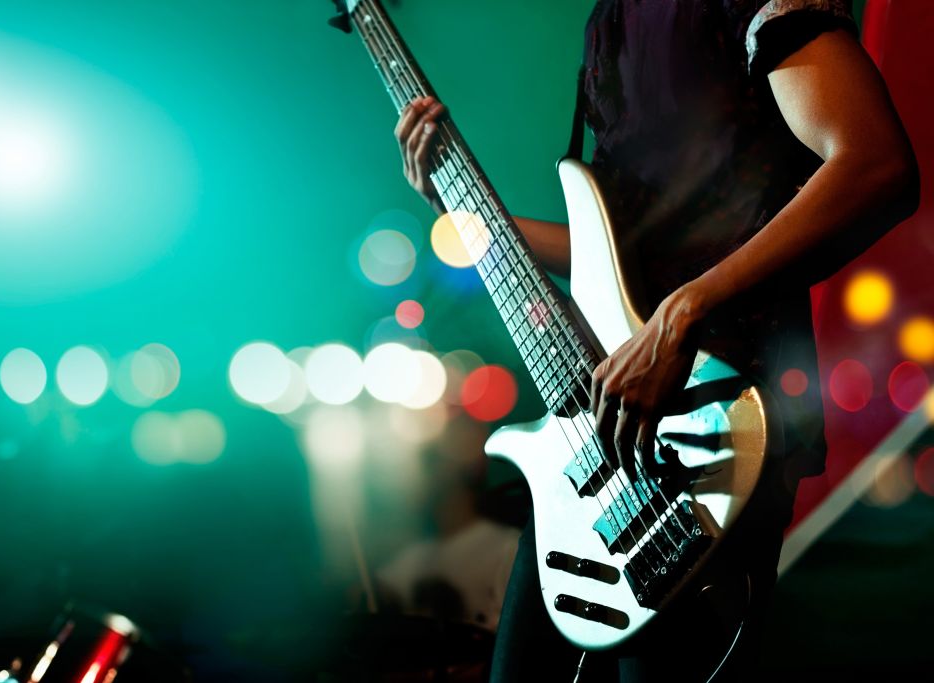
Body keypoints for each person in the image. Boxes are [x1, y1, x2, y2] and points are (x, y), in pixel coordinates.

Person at [393, 1, 918, 680]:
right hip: (609, 443)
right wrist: (463, 209)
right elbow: (620, 255)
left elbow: (874, 163)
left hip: (718, 427)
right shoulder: (607, 19)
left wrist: (682, 314)